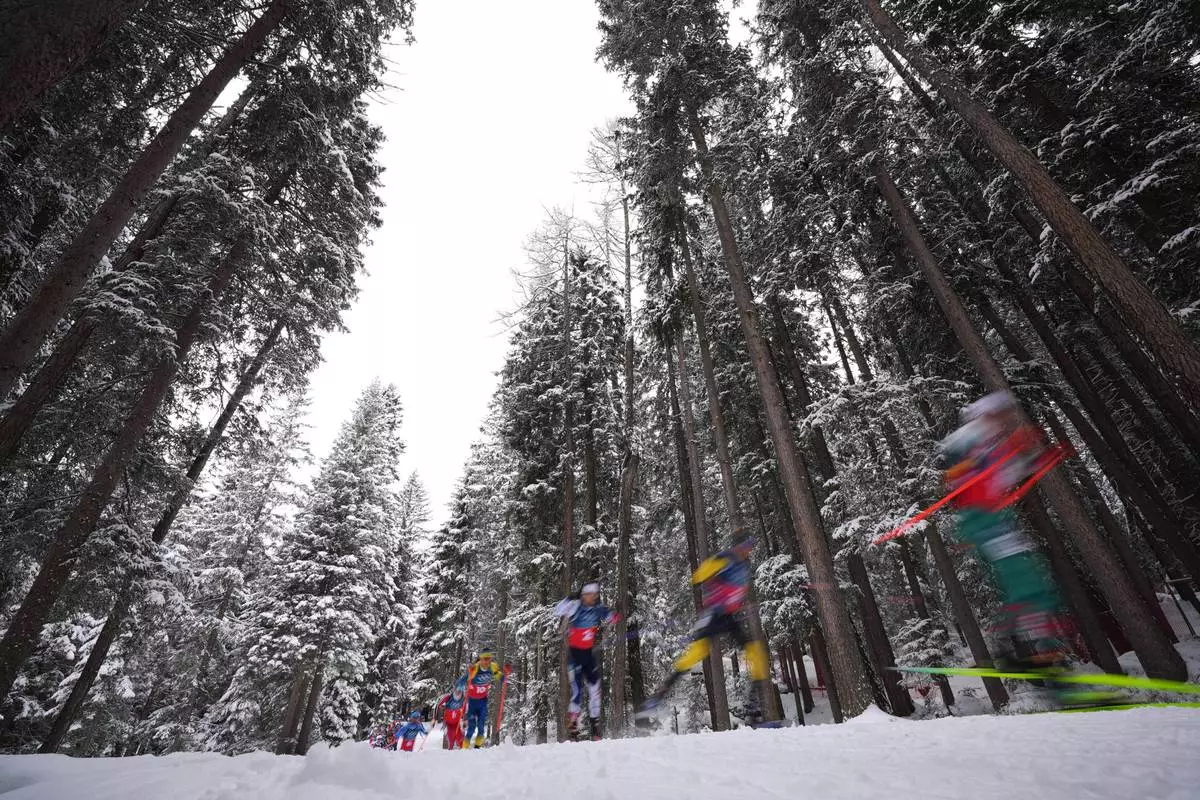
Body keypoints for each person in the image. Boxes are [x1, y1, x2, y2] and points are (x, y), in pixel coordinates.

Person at [637, 535, 770, 723]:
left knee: (756, 653)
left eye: (750, 545)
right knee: (693, 656)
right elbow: (697, 577)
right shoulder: (726, 559)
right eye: (745, 545)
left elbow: (737, 591)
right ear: (737, 546)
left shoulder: (744, 567)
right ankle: (653, 702)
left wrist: (738, 602)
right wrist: (713, 566)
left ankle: (753, 710)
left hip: (729, 617)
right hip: (713, 616)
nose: (747, 549)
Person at [554, 582, 620, 741]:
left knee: (595, 690)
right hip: (574, 656)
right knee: (577, 692)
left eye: (595, 594)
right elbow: (558, 611)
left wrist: (615, 614)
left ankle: (595, 726)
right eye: (590, 595)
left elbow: (612, 618)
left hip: (588, 656)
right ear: (583, 595)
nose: (594, 597)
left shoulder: (598, 608)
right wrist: (570, 598)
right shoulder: (576, 606)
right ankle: (573, 726)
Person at [459, 648, 509, 749]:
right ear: (480, 659)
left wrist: (504, 675)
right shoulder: (476, 668)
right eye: (484, 659)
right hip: (472, 702)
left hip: (482, 701)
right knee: (471, 728)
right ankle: (464, 749)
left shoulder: (492, 667)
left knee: (481, 728)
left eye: (488, 659)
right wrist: (460, 686)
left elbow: (499, 676)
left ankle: (477, 749)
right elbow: (463, 680)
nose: (486, 661)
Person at [435, 682, 468, 750]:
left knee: (460, 740)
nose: (458, 692)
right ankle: (449, 754)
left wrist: (465, 720)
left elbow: (466, 711)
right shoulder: (448, 697)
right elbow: (438, 705)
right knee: (451, 741)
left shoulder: (464, 699)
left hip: (457, 723)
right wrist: (435, 717)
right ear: (454, 690)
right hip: (448, 723)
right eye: (456, 690)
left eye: (460, 690)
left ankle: (463, 755)